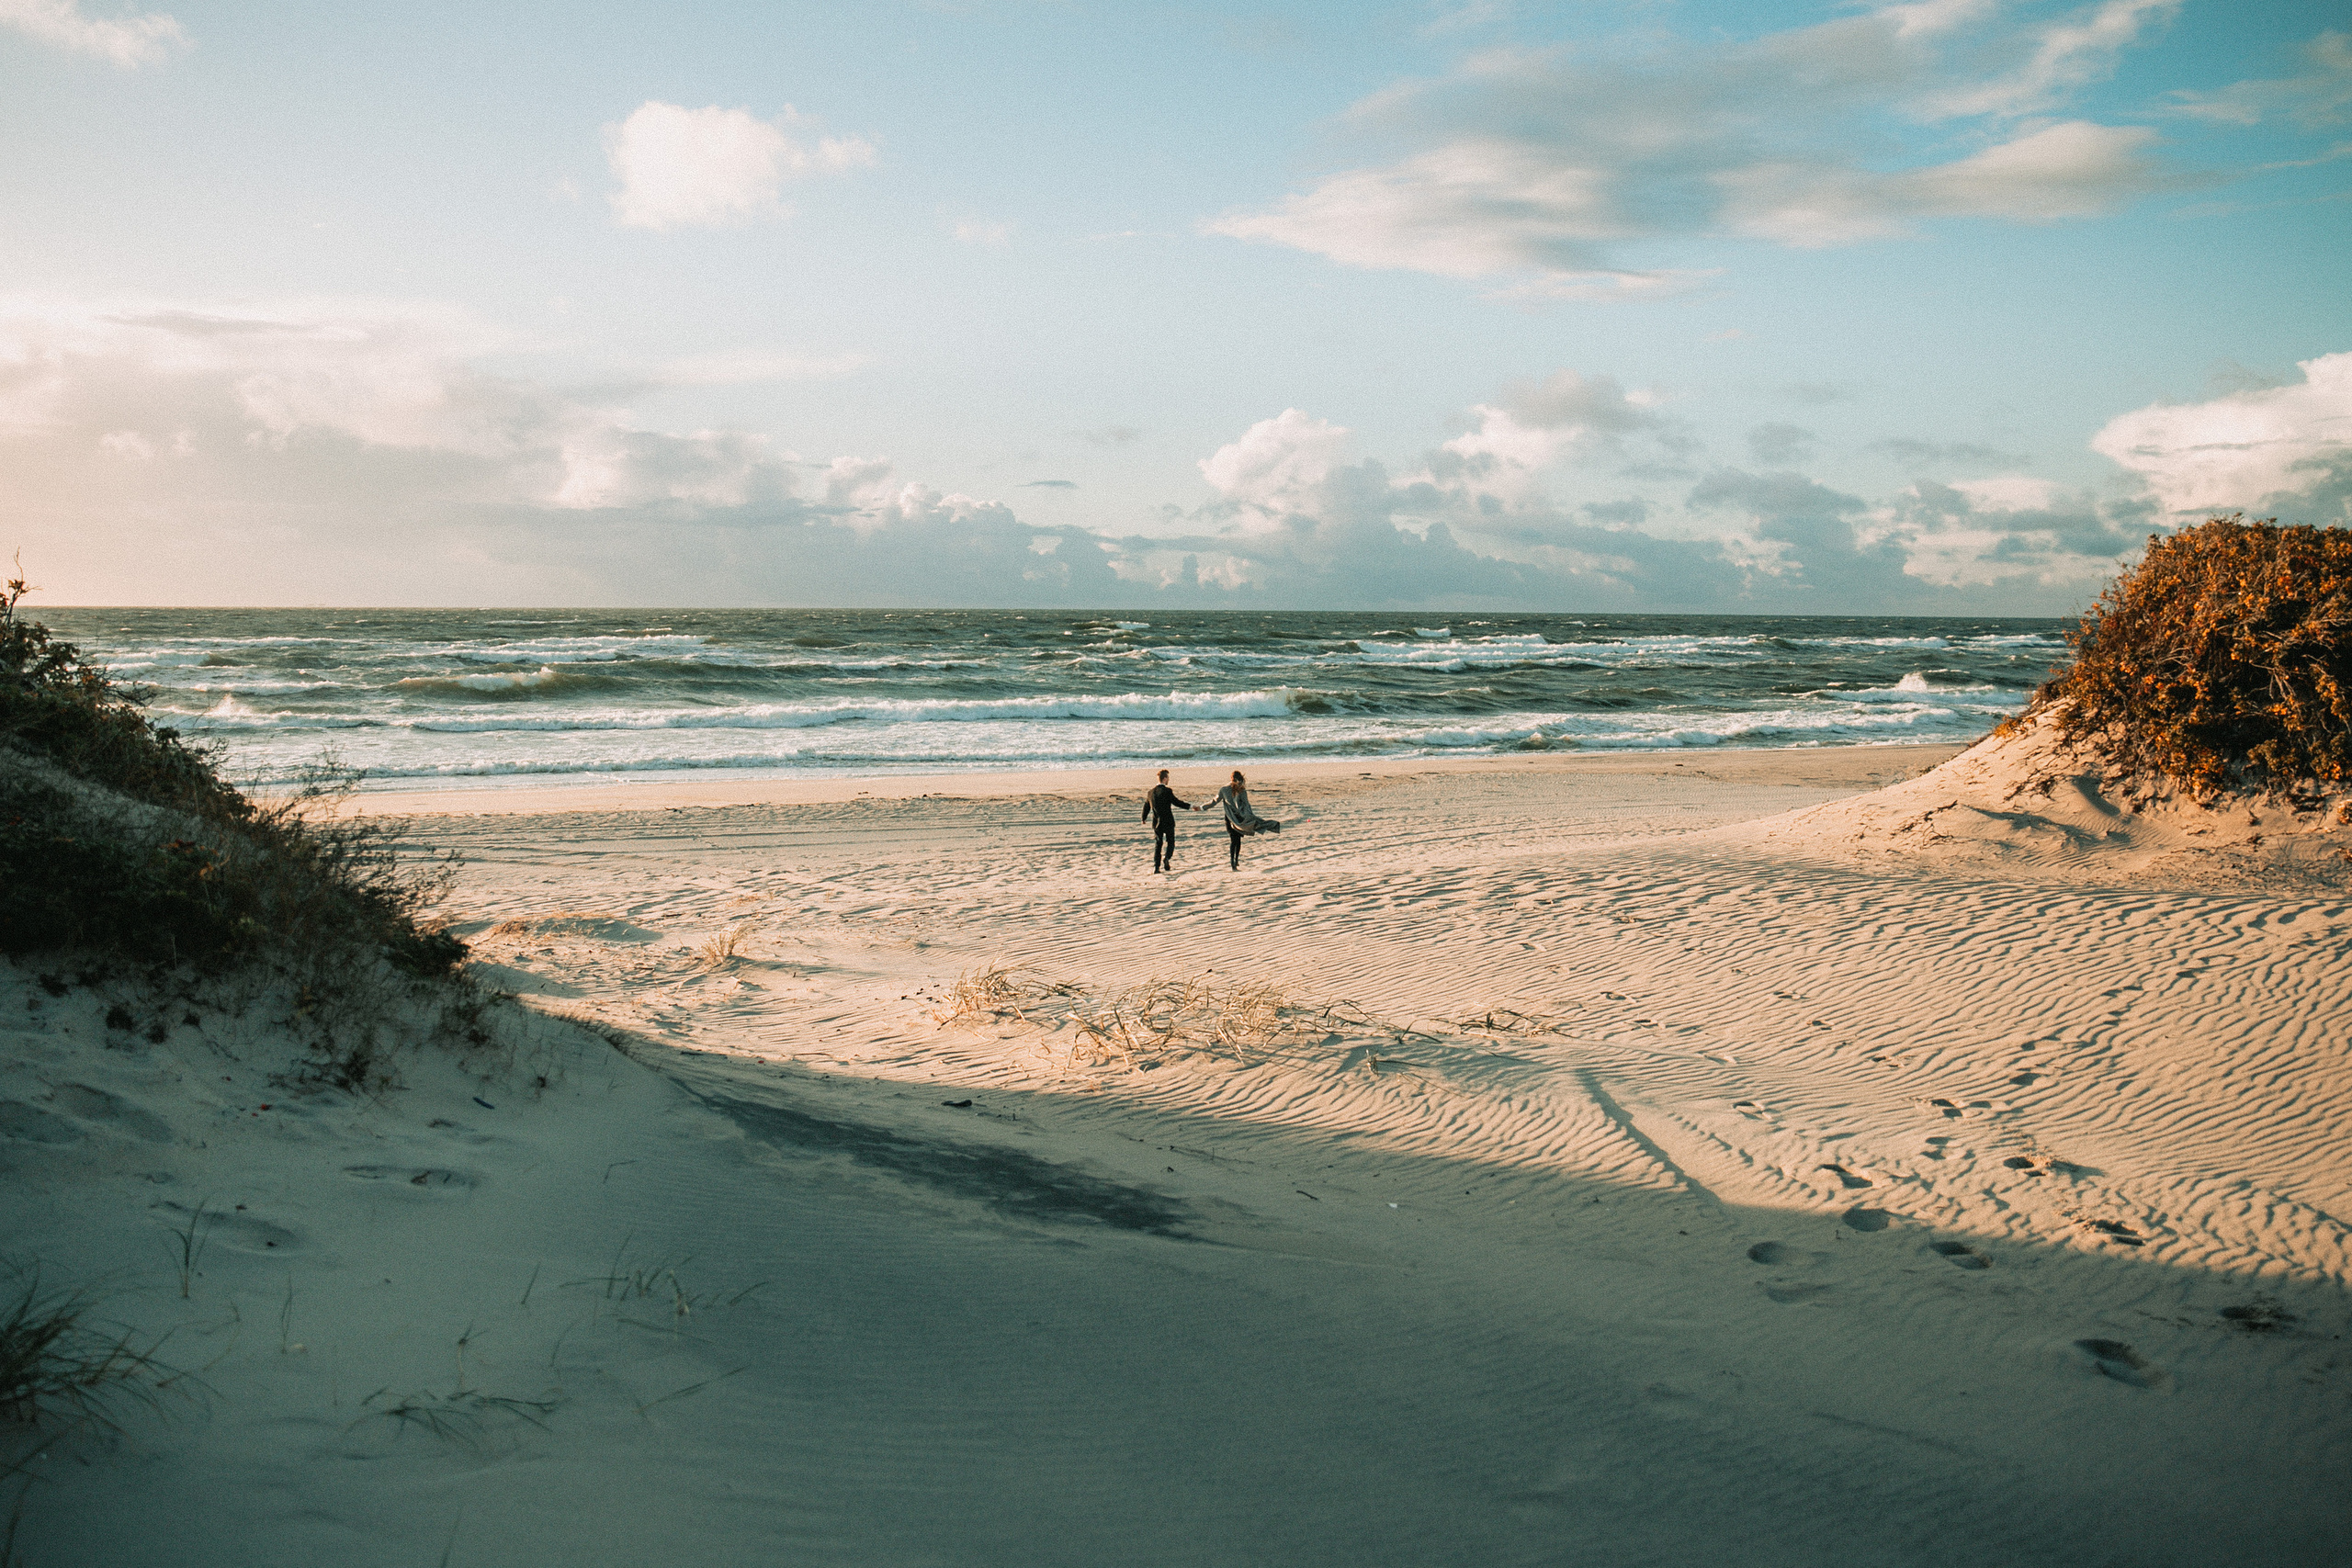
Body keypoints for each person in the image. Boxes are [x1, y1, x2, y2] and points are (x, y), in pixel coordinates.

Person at [1209, 769, 1279, 870]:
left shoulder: (1224, 789)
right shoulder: (1241, 790)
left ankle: (1233, 861)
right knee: (1237, 840)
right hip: (1240, 818)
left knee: (1234, 840)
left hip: (1229, 818)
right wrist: (1250, 816)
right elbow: (1246, 805)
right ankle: (1235, 860)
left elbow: (1214, 801)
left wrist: (1202, 807)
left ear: (1231, 778)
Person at [1140, 768, 1193, 874]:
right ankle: (1167, 858)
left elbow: (1146, 806)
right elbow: (1177, 802)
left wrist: (1143, 818)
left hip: (1157, 822)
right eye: (1168, 778)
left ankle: (1156, 867)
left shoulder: (1151, 793)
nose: (1168, 780)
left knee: (1158, 844)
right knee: (1171, 842)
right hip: (1168, 821)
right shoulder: (1167, 791)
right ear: (1164, 779)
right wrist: (1190, 807)